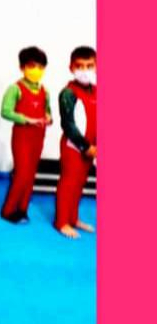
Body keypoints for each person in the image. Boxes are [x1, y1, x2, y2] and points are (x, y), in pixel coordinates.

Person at [0, 46, 53, 224]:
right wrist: (27, 120)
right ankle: (8, 210)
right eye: (31, 66)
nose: (36, 70)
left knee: (31, 174)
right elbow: (6, 111)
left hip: (39, 136)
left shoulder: (45, 91)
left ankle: (23, 208)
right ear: (22, 67)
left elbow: (47, 110)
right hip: (22, 136)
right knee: (22, 173)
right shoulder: (15, 88)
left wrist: (48, 117)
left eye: (40, 67)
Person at [55, 46, 97, 239]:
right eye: (79, 66)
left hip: (91, 148)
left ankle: (73, 217)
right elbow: (68, 124)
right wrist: (85, 146)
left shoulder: (97, 91)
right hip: (74, 146)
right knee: (68, 183)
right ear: (71, 67)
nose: (84, 70)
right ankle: (62, 221)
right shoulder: (68, 93)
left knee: (80, 183)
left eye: (89, 66)